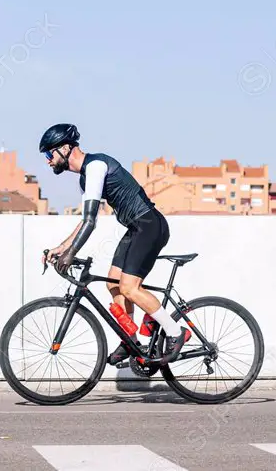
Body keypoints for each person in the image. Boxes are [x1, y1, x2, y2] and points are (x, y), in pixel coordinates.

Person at [39, 122, 190, 367]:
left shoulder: (96, 166)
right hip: (136, 228)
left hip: (150, 225)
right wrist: (61, 248)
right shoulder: (85, 178)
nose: (47, 160)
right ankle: (130, 341)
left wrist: (71, 253)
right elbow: (87, 220)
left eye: (49, 153)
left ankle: (175, 332)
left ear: (65, 148)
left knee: (130, 288)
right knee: (113, 283)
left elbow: (90, 223)